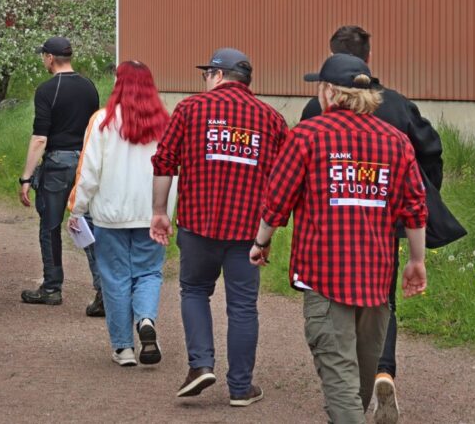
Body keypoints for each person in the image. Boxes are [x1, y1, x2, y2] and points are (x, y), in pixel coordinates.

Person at [301, 26, 465, 424]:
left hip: (332, 228)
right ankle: (383, 370)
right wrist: (418, 205)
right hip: (387, 220)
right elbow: (431, 149)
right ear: (368, 59)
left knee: (336, 303)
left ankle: (349, 378)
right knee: (379, 298)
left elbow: (301, 166)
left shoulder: (315, 110)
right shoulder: (397, 104)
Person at [252, 53, 428, 424]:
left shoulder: (307, 136)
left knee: (342, 379)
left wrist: (261, 241)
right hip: (376, 280)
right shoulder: (396, 142)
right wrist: (417, 261)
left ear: (329, 92)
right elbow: (415, 207)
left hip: (324, 277)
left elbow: (277, 199)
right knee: (356, 381)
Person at [149, 48, 288, 407]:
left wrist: (159, 211)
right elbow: (281, 182)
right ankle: (241, 389)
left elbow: (165, 162)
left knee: (194, 291)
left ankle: (200, 366)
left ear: (218, 75)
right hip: (248, 233)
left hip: (198, 226)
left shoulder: (189, 110)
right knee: (243, 307)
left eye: (206, 75)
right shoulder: (271, 119)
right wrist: (266, 234)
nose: (205, 82)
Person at [67, 61, 174, 366]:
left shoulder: (101, 121)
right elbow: (174, 171)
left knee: (115, 277)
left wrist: (78, 208)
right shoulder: (164, 122)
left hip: (109, 216)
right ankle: (145, 321)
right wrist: (166, 211)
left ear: (119, 84)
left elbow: (89, 172)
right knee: (149, 272)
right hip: (151, 213)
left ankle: (124, 348)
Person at [19, 36, 102, 312]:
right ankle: (103, 290)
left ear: (50, 58)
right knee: (88, 226)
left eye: (43, 56)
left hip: (57, 164)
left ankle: (52, 288)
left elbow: (40, 138)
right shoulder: (89, 87)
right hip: (85, 164)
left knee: (51, 226)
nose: (43, 60)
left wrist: (26, 177)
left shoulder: (46, 90)